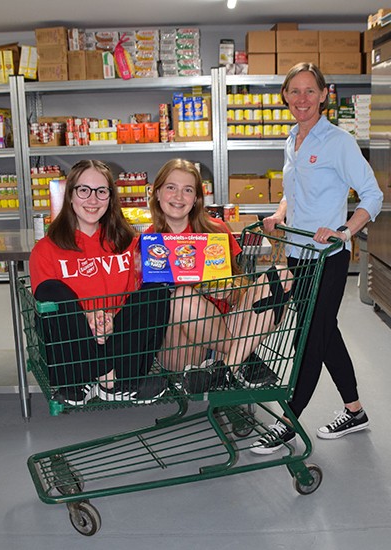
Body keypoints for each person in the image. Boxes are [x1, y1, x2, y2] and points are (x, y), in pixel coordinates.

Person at [250, 63, 383, 454]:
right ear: (285, 97)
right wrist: (278, 214)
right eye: (294, 92)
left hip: (328, 255)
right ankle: (355, 411)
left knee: (309, 334)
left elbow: (372, 195)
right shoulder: (291, 139)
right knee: (326, 332)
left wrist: (344, 231)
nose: (302, 99)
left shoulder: (338, 142)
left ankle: (288, 421)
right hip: (297, 253)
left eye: (310, 91)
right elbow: (296, 192)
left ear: (325, 94)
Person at [29, 160, 170, 406]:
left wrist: (109, 321)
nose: (93, 200)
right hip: (73, 355)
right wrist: (88, 319)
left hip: (118, 344)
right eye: (84, 190)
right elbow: (50, 311)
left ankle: (110, 380)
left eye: (101, 191)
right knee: (52, 291)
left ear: (110, 197)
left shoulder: (129, 243)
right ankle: (109, 380)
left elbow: (134, 305)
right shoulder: (46, 249)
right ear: (70, 195)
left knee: (156, 290)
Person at [147, 158, 293, 392]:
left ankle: (224, 368)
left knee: (282, 277)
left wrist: (230, 289)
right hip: (179, 345)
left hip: (224, 327)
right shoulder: (148, 243)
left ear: (196, 199)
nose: (178, 197)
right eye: (171, 188)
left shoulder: (215, 230)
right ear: (157, 193)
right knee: (184, 298)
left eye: (187, 190)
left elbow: (242, 291)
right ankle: (242, 360)